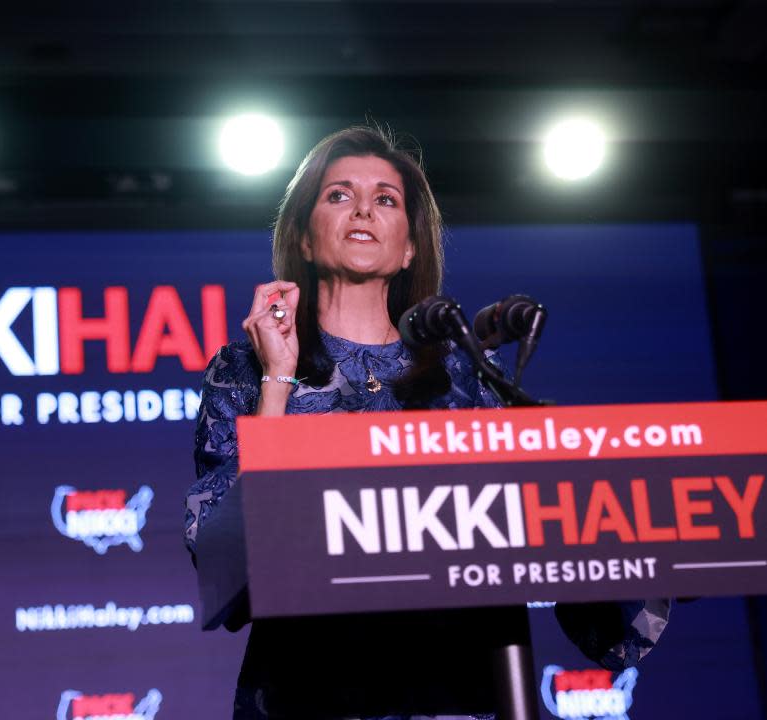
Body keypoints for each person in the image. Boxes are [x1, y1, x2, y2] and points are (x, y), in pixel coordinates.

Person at [185, 126, 669, 720]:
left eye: (386, 199)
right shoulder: (247, 369)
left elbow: (552, 530)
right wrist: (278, 377)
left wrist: (649, 534)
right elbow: (227, 553)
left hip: (461, 689)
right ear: (304, 240)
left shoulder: (465, 376)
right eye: (339, 195)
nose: (364, 207)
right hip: (306, 690)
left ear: (410, 246)